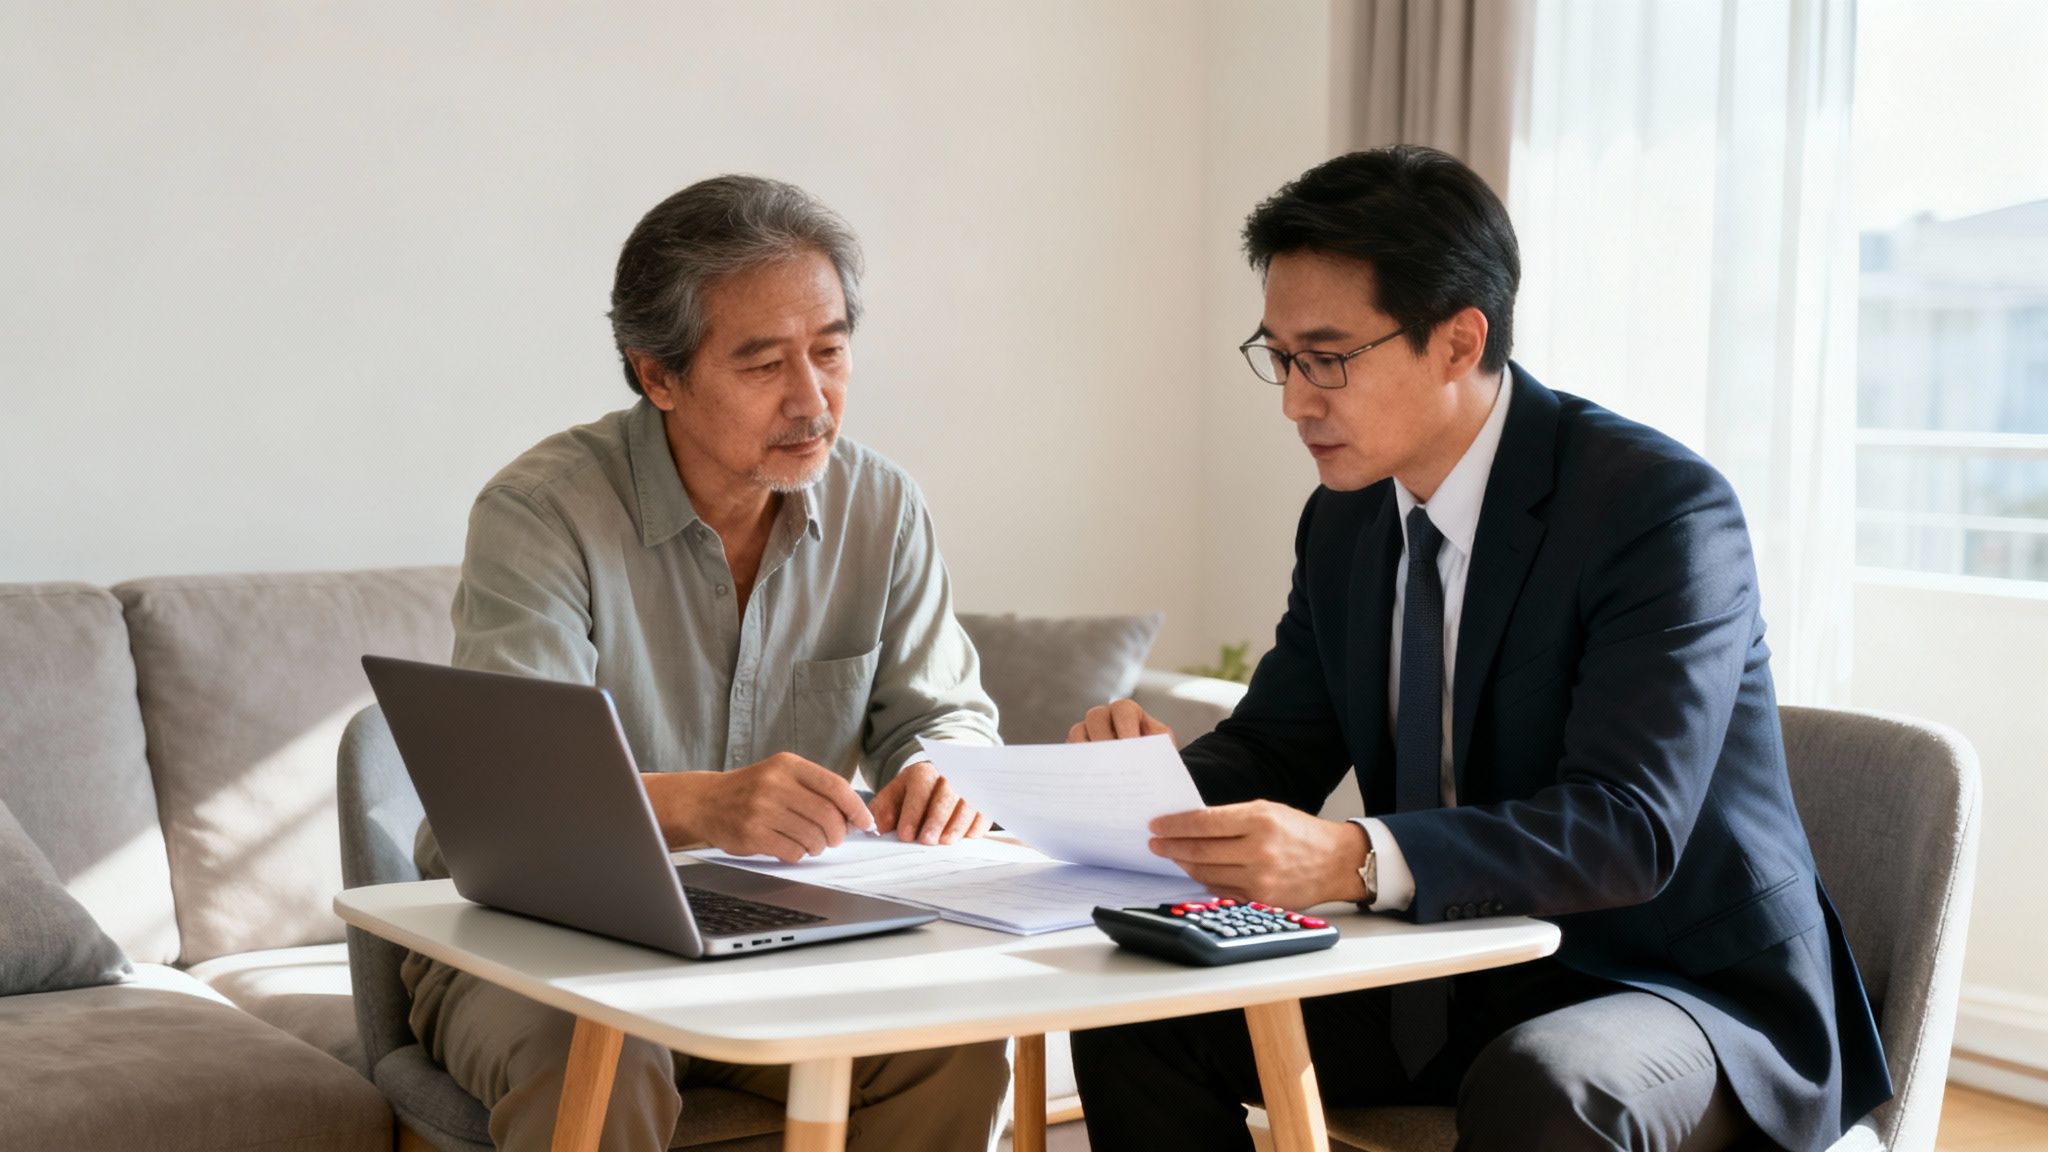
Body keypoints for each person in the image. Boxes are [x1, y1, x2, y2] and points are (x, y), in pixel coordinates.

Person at [1066, 146, 1890, 1152]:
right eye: (1277, 357)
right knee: (1135, 1020)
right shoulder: (1346, 523)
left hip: (1674, 986)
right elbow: (1278, 744)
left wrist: (1352, 857)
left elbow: (1625, 827)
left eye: (1325, 359)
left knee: (1546, 1086)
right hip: (1452, 969)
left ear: (1457, 341)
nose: (1292, 400)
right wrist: (1135, 793)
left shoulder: (1655, 511)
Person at [401, 175, 1009, 1152]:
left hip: (780, 930)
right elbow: (512, 809)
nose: (811, 400)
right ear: (658, 377)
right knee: (603, 1055)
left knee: (955, 1048)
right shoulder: (540, 513)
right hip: (543, 945)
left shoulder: (882, 506)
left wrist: (941, 768)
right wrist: (709, 806)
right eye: (763, 364)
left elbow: (941, 715)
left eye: (830, 351)